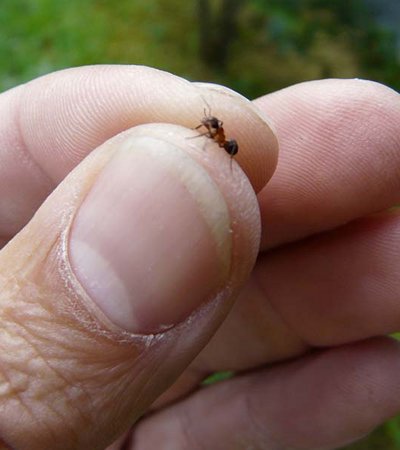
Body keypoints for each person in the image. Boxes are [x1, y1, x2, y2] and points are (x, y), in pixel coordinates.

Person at [0, 65, 399, 450]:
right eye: (210, 129)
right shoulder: (212, 131)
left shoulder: (221, 140)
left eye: (212, 130)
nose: (210, 131)